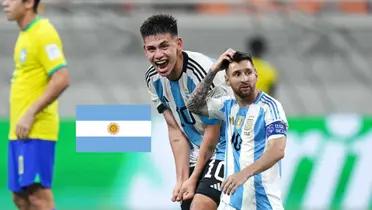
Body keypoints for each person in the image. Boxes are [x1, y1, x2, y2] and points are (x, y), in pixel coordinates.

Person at [140, 14, 226, 210]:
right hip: (200, 149)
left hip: (229, 146)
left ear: (178, 44)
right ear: (145, 50)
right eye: (151, 49)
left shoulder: (202, 71)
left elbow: (213, 132)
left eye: (164, 46)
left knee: (201, 205)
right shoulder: (152, 79)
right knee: (188, 204)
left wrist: (193, 178)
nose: (158, 55)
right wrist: (182, 179)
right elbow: (175, 130)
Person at [186, 49, 287, 210]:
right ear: (227, 80)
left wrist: (244, 174)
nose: (244, 78)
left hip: (262, 203)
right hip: (231, 203)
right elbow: (192, 105)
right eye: (237, 74)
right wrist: (213, 70)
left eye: (248, 72)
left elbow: (277, 150)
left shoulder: (270, 107)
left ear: (256, 75)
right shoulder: (227, 106)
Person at [2, 0, 70, 209]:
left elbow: (61, 77)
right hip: (19, 131)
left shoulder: (43, 32)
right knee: (20, 197)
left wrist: (30, 112)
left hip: (36, 129)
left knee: (37, 197)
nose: (4, 3)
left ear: (29, 2)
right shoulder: (25, 34)